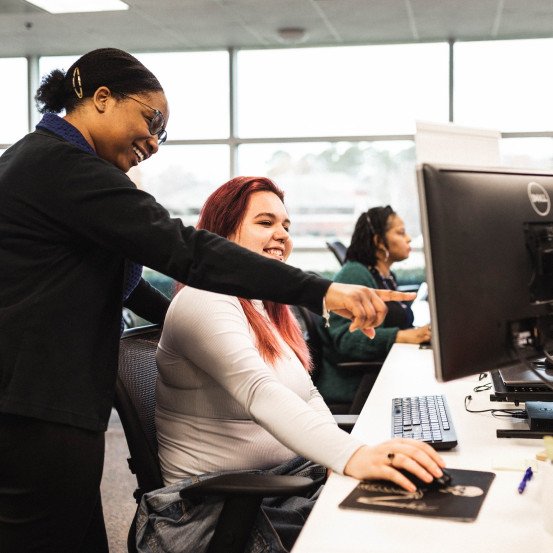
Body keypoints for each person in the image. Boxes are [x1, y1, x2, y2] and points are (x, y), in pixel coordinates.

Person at [0, 50, 415, 553]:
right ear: (102, 99)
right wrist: (322, 290)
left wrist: (183, 313)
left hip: (48, 400)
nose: (153, 142)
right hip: (33, 405)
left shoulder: (48, 166)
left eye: (162, 133)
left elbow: (125, 284)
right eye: (151, 120)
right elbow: (185, 248)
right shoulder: (61, 166)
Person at [153, 177, 445, 552]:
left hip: (284, 486)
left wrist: (334, 457)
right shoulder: (203, 300)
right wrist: (352, 456)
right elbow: (260, 392)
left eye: (286, 226)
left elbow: (306, 395)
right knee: (392, 533)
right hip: (220, 511)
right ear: (221, 234)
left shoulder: (261, 304)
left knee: (418, 508)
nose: (281, 235)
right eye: (265, 222)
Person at [317, 205, 431, 411]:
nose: (408, 239)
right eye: (400, 232)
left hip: (383, 372)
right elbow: (346, 339)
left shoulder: (384, 276)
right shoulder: (354, 275)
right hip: (358, 384)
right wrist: (401, 336)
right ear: (379, 241)